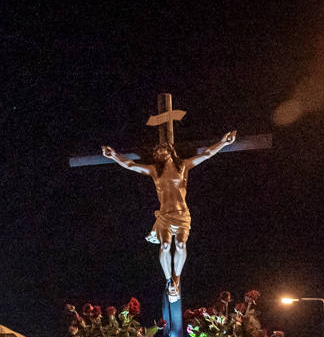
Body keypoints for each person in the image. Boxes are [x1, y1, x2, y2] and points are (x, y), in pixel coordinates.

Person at [101, 129, 236, 302]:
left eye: (162, 149)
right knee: (165, 246)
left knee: (180, 244)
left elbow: (207, 154)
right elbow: (131, 165)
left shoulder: (184, 166)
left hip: (182, 215)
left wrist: (224, 142)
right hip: (164, 215)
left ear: (171, 151)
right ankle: (168, 281)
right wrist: (114, 156)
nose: (159, 152)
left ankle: (177, 279)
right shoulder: (154, 171)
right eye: (157, 151)